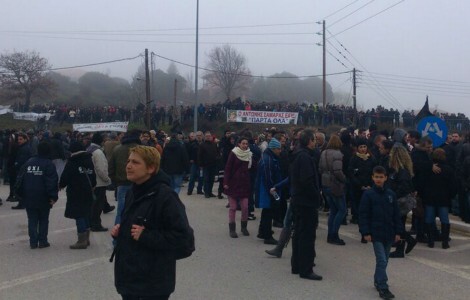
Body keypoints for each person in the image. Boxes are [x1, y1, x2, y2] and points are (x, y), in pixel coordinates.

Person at [111, 146, 192, 300]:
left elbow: (184, 238)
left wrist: (147, 236)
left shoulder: (165, 196)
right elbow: (134, 230)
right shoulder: (132, 192)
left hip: (153, 284)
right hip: (129, 279)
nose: (128, 166)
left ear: (151, 168)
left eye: (135, 162)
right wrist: (120, 232)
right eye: (128, 161)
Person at [359, 166, 402, 299]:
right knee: (382, 260)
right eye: (376, 177)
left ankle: (378, 280)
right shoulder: (368, 194)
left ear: (385, 178)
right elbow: (363, 214)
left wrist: (398, 231)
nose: (378, 179)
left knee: (385, 260)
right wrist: (365, 231)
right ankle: (383, 287)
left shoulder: (391, 194)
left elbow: (396, 215)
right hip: (376, 232)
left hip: (389, 232)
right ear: (372, 178)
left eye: (381, 177)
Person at [290, 129, 323, 281]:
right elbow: (307, 181)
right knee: (307, 236)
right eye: (314, 140)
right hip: (306, 201)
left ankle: (296, 265)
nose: (315, 142)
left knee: (299, 232)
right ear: (309, 141)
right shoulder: (304, 157)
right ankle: (306, 268)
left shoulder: (299, 154)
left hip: (299, 199)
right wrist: (317, 196)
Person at [17, 142, 59, 249]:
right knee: (44, 219)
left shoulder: (28, 162)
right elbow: (51, 182)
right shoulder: (49, 164)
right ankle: (43, 241)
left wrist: (20, 194)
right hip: (43, 197)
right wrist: (53, 197)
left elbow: (20, 179)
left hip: (29, 195)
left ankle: (33, 242)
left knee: (32, 219)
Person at [59, 141, 97, 249]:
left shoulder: (72, 162)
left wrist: (61, 185)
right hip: (88, 191)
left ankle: (81, 240)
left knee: (78, 214)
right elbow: (93, 176)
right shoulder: (89, 160)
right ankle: (87, 238)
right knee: (86, 213)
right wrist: (93, 185)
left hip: (75, 192)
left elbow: (65, 176)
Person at [422, 148, 457, 249]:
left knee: (429, 219)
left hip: (430, 197)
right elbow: (453, 186)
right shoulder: (448, 169)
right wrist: (451, 196)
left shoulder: (429, 169)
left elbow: (423, 182)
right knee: (444, 219)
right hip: (444, 198)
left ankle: (430, 241)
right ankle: (445, 242)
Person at [388, 145, 417, 258]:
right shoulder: (400, 170)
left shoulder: (402, 171)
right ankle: (401, 247)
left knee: (397, 225)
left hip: (399, 202)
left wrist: (393, 196)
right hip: (399, 201)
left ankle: (407, 241)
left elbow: (403, 187)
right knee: (399, 225)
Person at [109, 130, 141, 226]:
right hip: (138, 183)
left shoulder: (117, 149)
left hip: (121, 183)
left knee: (121, 211)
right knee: (139, 210)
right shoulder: (141, 149)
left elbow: (111, 168)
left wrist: (115, 180)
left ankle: (117, 236)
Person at [319, 134, 347, 245]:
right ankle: (334, 235)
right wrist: (345, 179)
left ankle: (330, 235)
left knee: (333, 211)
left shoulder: (323, 153)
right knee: (342, 210)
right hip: (335, 185)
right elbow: (338, 171)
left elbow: (320, 168)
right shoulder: (338, 154)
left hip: (325, 183)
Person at [223, 137, 253, 238]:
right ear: (239, 144)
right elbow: (227, 168)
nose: (245, 145)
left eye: (246, 143)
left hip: (244, 184)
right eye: (243, 143)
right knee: (233, 207)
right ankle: (232, 229)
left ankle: (244, 227)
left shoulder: (249, 154)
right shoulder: (234, 153)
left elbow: (251, 168)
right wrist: (226, 182)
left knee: (245, 207)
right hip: (232, 184)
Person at [255, 138, 282, 245]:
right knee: (268, 212)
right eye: (278, 149)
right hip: (268, 190)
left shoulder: (269, 157)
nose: (280, 151)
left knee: (266, 211)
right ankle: (267, 236)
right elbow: (268, 177)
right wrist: (273, 192)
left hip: (266, 190)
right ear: (273, 149)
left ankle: (262, 231)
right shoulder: (268, 160)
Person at [348, 138, 376, 235]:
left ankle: (368, 230)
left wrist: (371, 185)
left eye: (364, 147)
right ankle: (363, 231)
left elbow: (374, 172)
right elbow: (351, 174)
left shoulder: (371, 158)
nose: (363, 149)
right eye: (361, 147)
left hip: (370, 188)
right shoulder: (354, 159)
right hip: (358, 189)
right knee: (360, 211)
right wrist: (360, 185)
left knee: (369, 211)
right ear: (357, 148)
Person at [87, 133, 112, 232]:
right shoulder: (98, 152)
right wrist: (107, 179)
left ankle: (90, 223)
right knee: (98, 206)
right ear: (101, 141)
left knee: (92, 205)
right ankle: (96, 225)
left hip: (91, 181)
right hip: (99, 182)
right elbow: (101, 169)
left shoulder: (89, 149)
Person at [198, 131, 219, 198]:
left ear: (211, 137)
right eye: (207, 136)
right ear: (205, 137)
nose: (208, 137)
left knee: (211, 179)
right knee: (206, 179)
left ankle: (210, 192)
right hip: (205, 165)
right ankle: (206, 193)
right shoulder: (202, 145)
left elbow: (217, 153)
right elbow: (199, 155)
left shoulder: (214, 144)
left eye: (209, 136)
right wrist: (201, 164)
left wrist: (217, 159)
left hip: (213, 165)